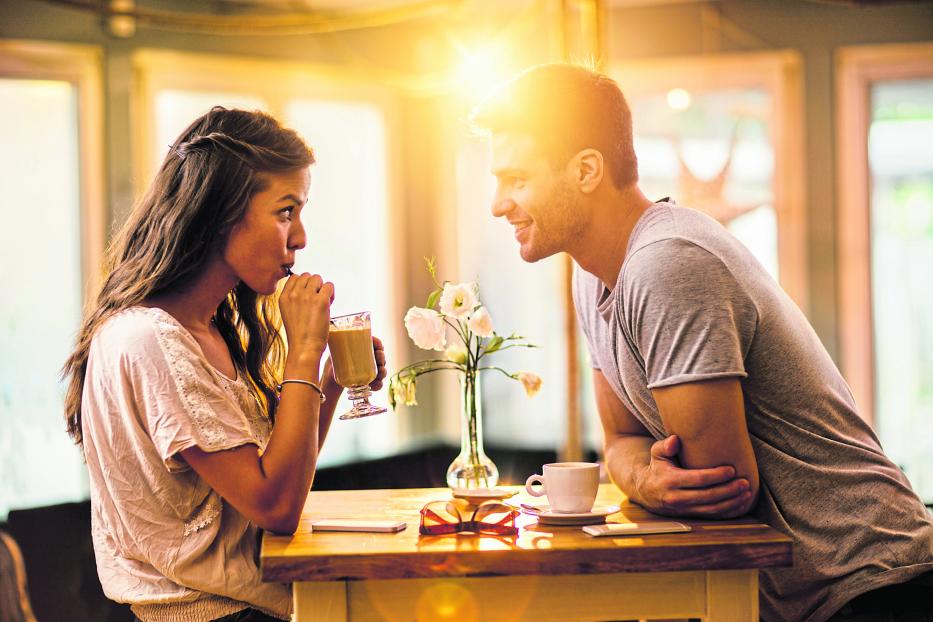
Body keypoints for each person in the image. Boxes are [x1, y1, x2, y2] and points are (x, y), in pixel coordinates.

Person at [471, 62, 933, 622]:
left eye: (517, 179)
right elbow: (618, 439)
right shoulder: (590, 274)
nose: (498, 203)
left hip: (874, 584)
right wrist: (644, 475)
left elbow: (721, 491)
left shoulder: (666, 264)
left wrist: (639, 471)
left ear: (587, 170)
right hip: (796, 596)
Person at [62, 107, 387, 622]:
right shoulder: (152, 340)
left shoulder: (205, 330)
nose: (299, 237)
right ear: (221, 214)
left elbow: (279, 477)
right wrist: (302, 351)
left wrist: (326, 380)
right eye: (286, 212)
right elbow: (275, 509)